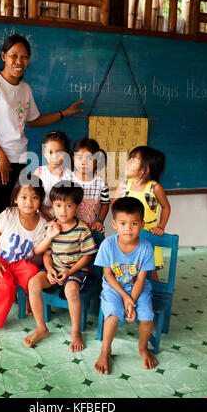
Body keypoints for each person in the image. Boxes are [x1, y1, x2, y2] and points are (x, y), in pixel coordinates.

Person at [0, 34, 83, 252]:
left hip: (19, 161)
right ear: (4, 56)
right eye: (13, 56)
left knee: (17, 214)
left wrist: (64, 113)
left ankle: (10, 265)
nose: (19, 61)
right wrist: (1, 156)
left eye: (24, 57)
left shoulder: (25, 89)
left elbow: (34, 120)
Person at [0, 172, 60, 340]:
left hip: (16, 264)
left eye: (34, 197)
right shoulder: (9, 215)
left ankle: (27, 297)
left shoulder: (42, 224)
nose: (29, 202)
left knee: (33, 272)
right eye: (24, 197)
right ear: (15, 199)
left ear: (40, 200)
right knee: (5, 287)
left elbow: (37, 250)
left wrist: (49, 236)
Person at [24, 181, 97, 352]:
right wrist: (49, 270)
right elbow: (47, 253)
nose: (63, 211)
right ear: (52, 206)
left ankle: (75, 331)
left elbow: (87, 256)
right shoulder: (51, 227)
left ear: (77, 207)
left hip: (76, 272)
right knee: (33, 283)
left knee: (71, 290)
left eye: (68, 206)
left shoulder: (82, 229)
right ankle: (41, 328)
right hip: (54, 269)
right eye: (58, 205)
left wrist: (69, 271)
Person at [94, 197, 157, 374]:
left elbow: (141, 279)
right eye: (123, 223)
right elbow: (108, 275)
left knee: (147, 317)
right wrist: (125, 297)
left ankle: (143, 347)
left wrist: (132, 300)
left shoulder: (145, 247)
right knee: (113, 316)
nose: (128, 229)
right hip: (114, 288)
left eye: (134, 223)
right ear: (114, 224)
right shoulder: (107, 245)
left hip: (138, 288)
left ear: (142, 224)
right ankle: (105, 350)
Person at [112, 145, 171, 281]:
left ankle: (151, 298)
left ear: (146, 169)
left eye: (134, 159)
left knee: (150, 271)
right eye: (130, 158)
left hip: (149, 234)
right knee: (126, 269)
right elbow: (115, 204)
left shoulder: (155, 187)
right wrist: (119, 223)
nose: (128, 162)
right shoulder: (123, 185)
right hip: (127, 233)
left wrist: (161, 226)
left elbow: (166, 207)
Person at [64, 137, 110, 247]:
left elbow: (105, 204)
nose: (84, 162)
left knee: (96, 255)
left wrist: (99, 221)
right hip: (72, 228)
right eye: (79, 158)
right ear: (73, 158)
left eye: (89, 158)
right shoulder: (67, 179)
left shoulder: (100, 182)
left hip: (93, 228)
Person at [34, 130, 70, 220]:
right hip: (40, 216)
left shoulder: (69, 175)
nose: (55, 156)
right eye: (50, 152)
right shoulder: (39, 172)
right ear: (44, 154)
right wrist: (42, 208)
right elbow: (33, 194)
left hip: (62, 216)